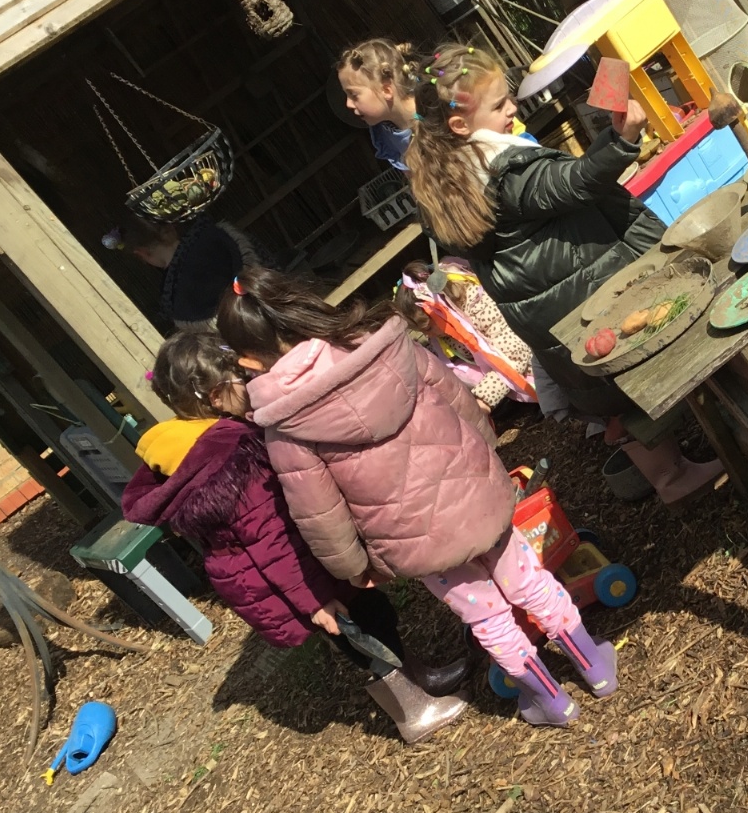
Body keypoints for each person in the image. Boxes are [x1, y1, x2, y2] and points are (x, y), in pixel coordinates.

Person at [217, 267, 617, 727]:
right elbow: (460, 403)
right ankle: (595, 667)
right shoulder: (386, 347)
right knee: (531, 582)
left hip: (415, 542)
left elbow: (318, 511)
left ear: (249, 361)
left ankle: (551, 701)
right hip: (475, 496)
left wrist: (353, 568)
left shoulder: (285, 424)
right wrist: (485, 457)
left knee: (488, 619)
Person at [404, 42, 721, 504]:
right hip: (586, 292)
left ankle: (676, 464)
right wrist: (620, 141)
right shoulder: (505, 171)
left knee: (614, 394)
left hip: (555, 312)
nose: (512, 109)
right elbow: (572, 183)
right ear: (460, 125)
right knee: (651, 353)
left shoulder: (450, 180)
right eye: (499, 104)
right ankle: (675, 476)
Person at [120, 331, 469, 744]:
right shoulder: (228, 458)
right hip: (298, 575)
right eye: (239, 379)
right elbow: (270, 539)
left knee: (372, 615)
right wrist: (314, 600)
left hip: (294, 568)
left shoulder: (185, 446)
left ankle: (420, 677)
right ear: (215, 397)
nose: (250, 383)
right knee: (361, 633)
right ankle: (413, 712)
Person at [390, 258, 536, 411]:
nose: (429, 335)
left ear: (441, 309)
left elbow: (515, 356)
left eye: (427, 328)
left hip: (531, 360)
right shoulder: (443, 329)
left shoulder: (479, 305)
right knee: (455, 370)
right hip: (500, 369)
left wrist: (484, 401)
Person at [117, 214, 264, 331]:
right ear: (171, 226)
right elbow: (265, 261)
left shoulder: (174, 298)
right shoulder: (218, 235)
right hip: (270, 302)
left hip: (250, 334)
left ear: (142, 253)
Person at [337, 38, 419, 173]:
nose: (348, 104)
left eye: (353, 95)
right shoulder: (386, 134)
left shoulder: (437, 114)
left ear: (386, 91)